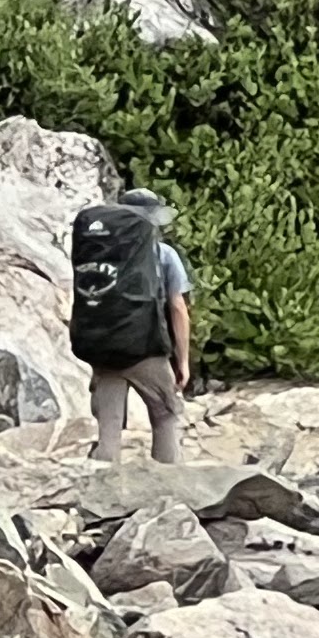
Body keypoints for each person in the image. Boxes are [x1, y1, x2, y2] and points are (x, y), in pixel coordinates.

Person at [70, 188, 195, 462]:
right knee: (166, 415)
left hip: (101, 349)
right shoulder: (165, 255)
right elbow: (178, 308)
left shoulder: (98, 251)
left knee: (109, 429)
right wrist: (183, 362)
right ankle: (168, 487)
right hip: (144, 348)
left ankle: (100, 496)